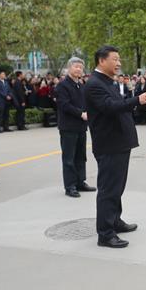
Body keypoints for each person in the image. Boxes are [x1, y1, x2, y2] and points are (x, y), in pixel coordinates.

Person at [84, 45, 146, 249]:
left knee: (117, 187)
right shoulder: (94, 84)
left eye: (119, 59)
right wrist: (136, 100)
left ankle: (115, 221)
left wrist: (135, 102)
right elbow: (110, 107)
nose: (119, 63)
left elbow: (119, 104)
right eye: (115, 59)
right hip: (109, 144)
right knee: (108, 189)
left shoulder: (107, 82)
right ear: (101, 61)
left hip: (119, 143)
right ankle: (105, 234)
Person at [55, 58, 97, 198]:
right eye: (76, 67)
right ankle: (70, 186)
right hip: (68, 127)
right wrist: (81, 114)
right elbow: (64, 105)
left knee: (81, 156)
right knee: (69, 158)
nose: (79, 69)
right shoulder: (62, 86)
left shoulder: (81, 85)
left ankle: (80, 181)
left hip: (81, 126)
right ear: (69, 68)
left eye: (81, 67)